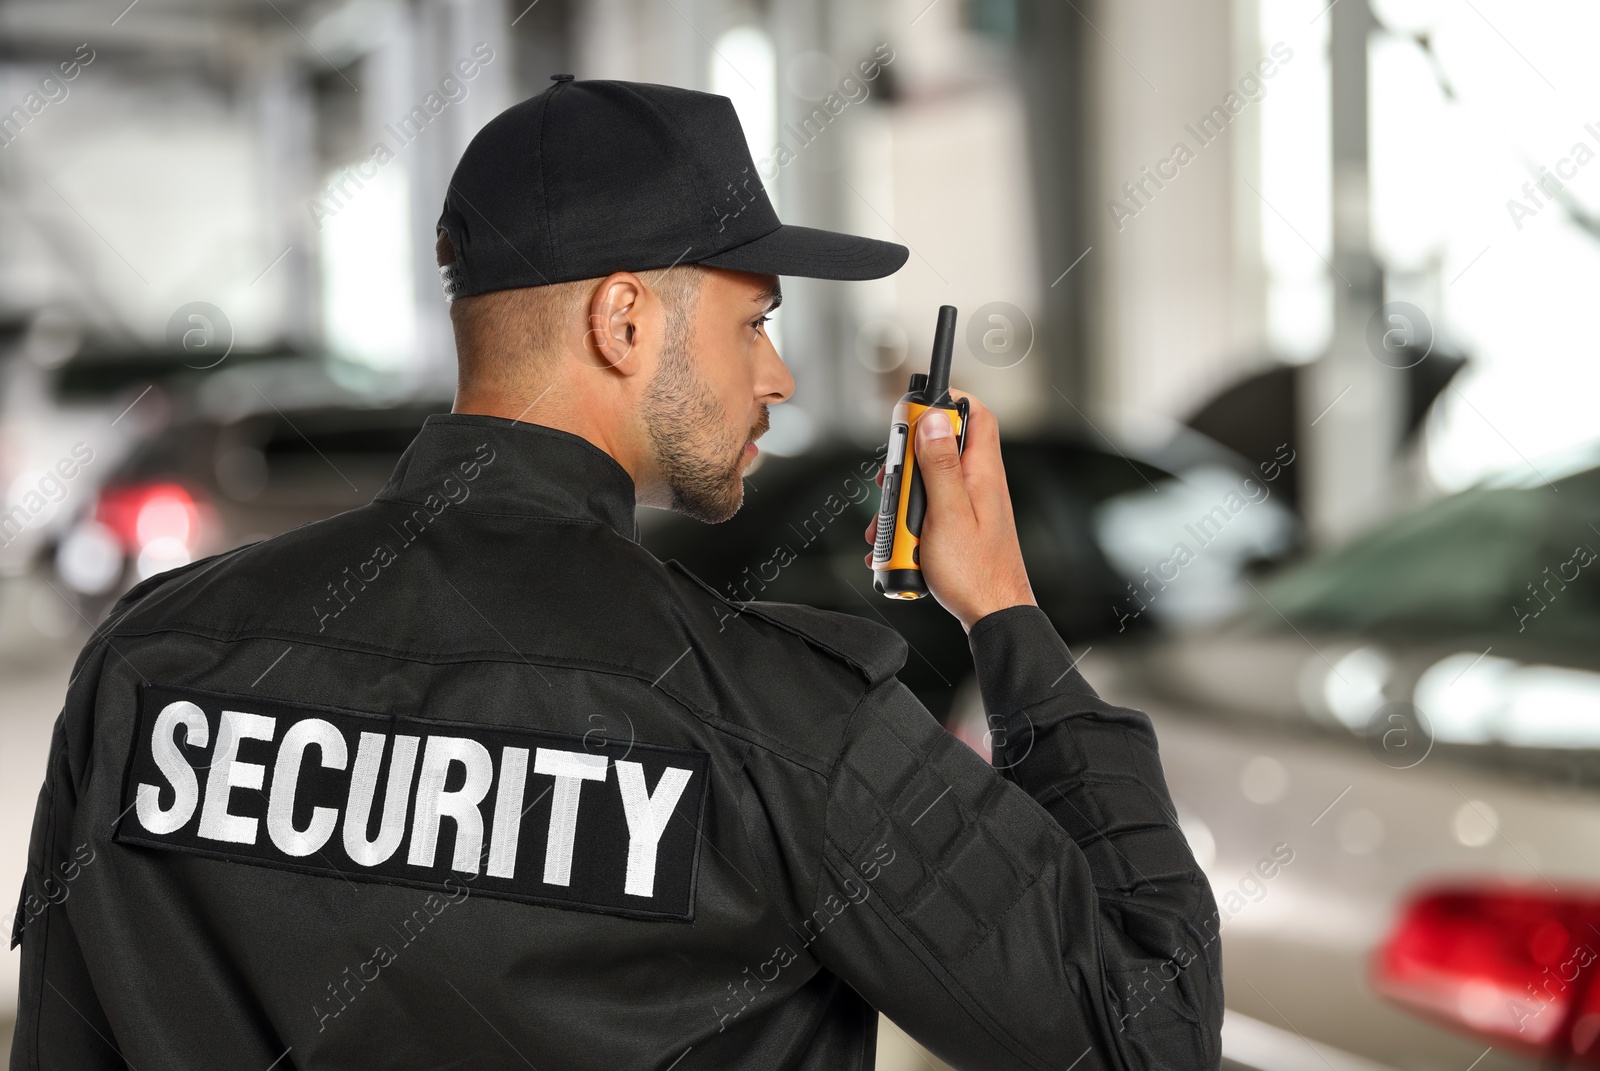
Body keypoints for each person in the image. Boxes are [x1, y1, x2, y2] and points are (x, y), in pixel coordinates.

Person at [10, 76, 1222, 1071]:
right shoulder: (775, 717)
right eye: (755, 320)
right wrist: (1004, 607)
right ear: (625, 319)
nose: (779, 376)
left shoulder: (153, 660)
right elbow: (1144, 1030)